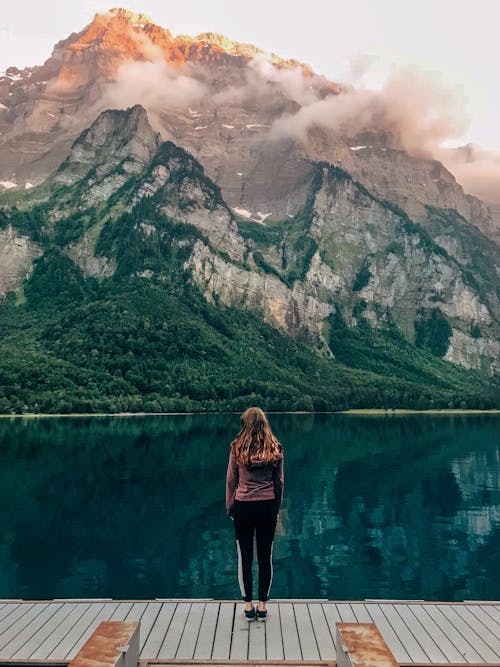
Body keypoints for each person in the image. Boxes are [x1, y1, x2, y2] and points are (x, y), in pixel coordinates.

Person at [226, 407, 284, 620]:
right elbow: (279, 482)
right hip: (267, 505)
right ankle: (262, 604)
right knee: (265, 556)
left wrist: (231, 507)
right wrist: (276, 508)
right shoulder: (275, 449)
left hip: (243, 505)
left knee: (245, 557)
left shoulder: (237, 448)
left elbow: (231, 480)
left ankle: (248, 605)